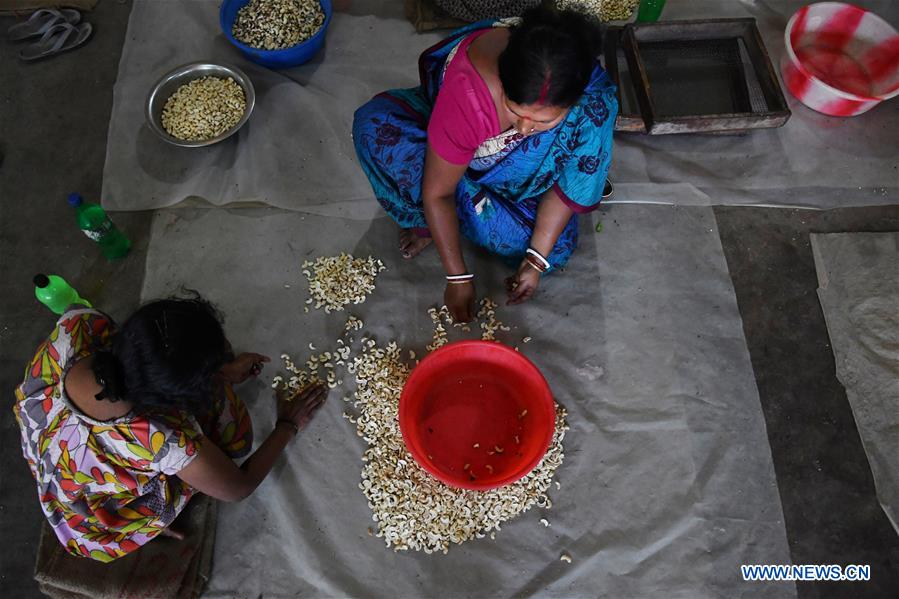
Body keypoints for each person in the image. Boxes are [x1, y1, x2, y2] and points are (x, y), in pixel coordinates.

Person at [353, 6, 617, 322]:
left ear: (573, 102)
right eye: (514, 110)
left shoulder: (591, 105)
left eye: (543, 121)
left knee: (553, 250)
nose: (523, 129)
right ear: (503, 78)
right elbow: (438, 193)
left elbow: (567, 187)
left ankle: (462, 210)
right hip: (445, 154)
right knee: (376, 130)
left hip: (512, 181)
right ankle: (430, 219)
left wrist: (534, 262)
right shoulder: (471, 94)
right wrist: (458, 277)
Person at [13, 297, 327, 562]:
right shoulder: (163, 439)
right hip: (92, 513)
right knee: (234, 433)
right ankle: (142, 522)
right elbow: (238, 487)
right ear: (170, 400)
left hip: (51, 452)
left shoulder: (79, 325)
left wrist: (221, 369)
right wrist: (287, 425)